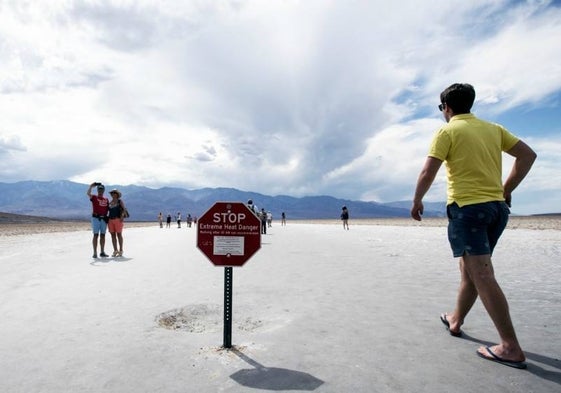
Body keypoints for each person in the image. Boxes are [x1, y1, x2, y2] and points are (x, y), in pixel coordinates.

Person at [411, 83, 536, 369]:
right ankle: (456, 319)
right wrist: (506, 189)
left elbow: (428, 170)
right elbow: (528, 155)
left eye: (441, 108)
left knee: (483, 275)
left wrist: (417, 200)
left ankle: (510, 347)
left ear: (447, 108)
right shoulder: (494, 129)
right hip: (496, 210)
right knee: (470, 270)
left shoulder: (448, 130)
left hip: (468, 210)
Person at [86, 182, 109, 258]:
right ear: (97, 190)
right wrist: (91, 186)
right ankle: (95, 252)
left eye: (102, 189)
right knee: (95, 235)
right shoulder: (94, 197)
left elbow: (109, 209)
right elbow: (88, 193)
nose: (100, 191)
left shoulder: (106, 199)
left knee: (103, 235)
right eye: (99, 189)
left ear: (104, 190)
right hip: (96, 218)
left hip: (103, 219)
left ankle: (102, 252)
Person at [107, 189, 126, 257]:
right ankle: (115, 250)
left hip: (118, 219)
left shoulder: (119, 201)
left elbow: (124, 209)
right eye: (112, 193)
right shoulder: (110, 202)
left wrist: (122, 216)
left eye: (114, 193)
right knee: (113, 235)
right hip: (110, 220)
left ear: (117, 194)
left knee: (119, 234)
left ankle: (121, 250)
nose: (112, 194)